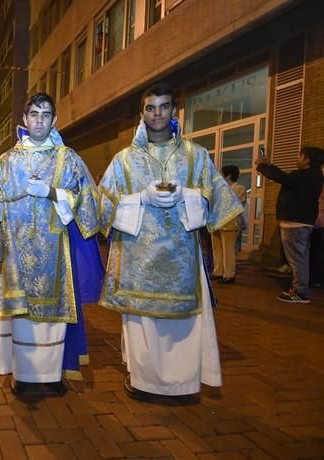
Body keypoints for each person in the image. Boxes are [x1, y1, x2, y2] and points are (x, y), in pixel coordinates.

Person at [98, 83, 243, 400]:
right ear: (142, 114)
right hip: (139, 260)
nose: (157, 113)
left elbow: (217, 201)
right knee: (143, 323)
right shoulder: (125, 160)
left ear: (174, 111)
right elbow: (102, 206)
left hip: (181, 259)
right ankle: (144, 382)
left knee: (183, 327)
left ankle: (182, 385)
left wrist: (188, 196)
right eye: (150, 108)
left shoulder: (196, 156)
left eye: (163, 106)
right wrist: (140, 198)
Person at [0, 92, 103, 395]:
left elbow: (90, 201)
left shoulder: (68, 158)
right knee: (22, 317)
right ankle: (22, 375)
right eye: (34, 114)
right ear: (24, 119)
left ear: (54, 120)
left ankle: (51, 375)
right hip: (16, 253)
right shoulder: (7, 161)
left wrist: (52, 192)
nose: (39, 120)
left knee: (51, 316)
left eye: (45, 115)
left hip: (54, 253)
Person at [256, 146, 324, 303]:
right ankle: (299, 289)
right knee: (299, 259)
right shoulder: (313, 176)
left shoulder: (307, 175)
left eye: (300, 156)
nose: (297, 158)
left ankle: (301, 293)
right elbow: (286, 177)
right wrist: (268, 166)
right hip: (300, 224)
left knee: (297, 260)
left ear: (307, 160)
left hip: (296, 225)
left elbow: (282, 177)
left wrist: (263, 166)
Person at [210, 165, 247, 284]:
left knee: (228, 249)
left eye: (221, 173)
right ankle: (218, 272)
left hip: (230, 223)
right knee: (217, 249)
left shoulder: (239, 188)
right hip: (215, 222)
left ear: (228, 175)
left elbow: (234, 204)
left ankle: (229, 275)